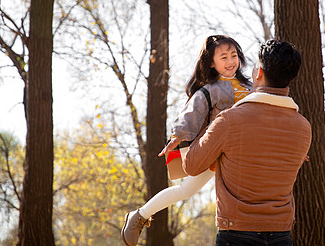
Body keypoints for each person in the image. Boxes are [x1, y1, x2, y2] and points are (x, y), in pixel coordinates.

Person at [121, 35, 252, 246]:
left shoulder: (252, 87)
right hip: (217, 151)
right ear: (211, 63)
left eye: (234, 55)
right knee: (186, 190)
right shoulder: (210, 90)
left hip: (245, 154)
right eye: (224, 57)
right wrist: (176, 137)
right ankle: (140, 215)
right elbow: (190, 115)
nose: (230, 62)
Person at [182, 39, 312, 246]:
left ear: (259, 73)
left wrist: (208, 124)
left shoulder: (228, 120)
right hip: (281, 234)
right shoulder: (304, 127)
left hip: (236, 232)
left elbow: (191, 165)